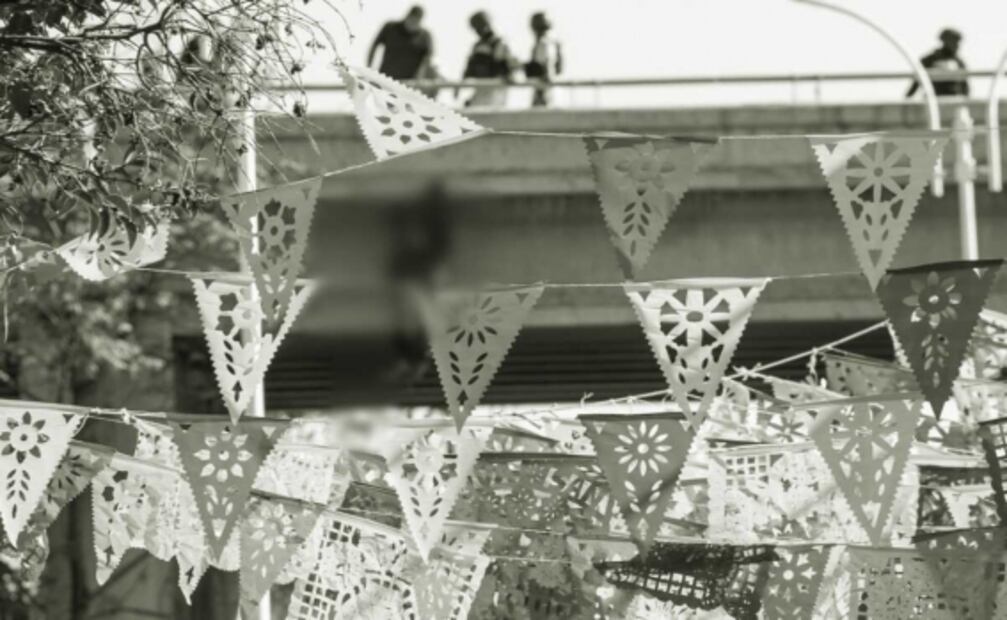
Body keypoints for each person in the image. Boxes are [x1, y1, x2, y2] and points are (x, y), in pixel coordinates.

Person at [462, 11, 516, 107]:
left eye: (480, 25)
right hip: (481, 89)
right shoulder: (477, 46)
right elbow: (469, 70)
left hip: (495, 91)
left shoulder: (500, 43)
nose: (478, 30)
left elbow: (511, 68)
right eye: (476, 27)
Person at [367, 6, 433, 81]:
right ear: (407, 16)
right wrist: (369, 68)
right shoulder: (390, 28)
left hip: (406, 84)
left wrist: (418, 80)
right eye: (411, 20)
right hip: (384, 78)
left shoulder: (425, 37)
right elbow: (374, 46)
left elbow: (427, 61)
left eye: (416, 22)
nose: (412, 24)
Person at [907, 28, 969, 98]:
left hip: (954, 100)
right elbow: (916, 83)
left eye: (958, 42)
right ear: (946, 41)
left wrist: (967, 101)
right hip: (935, 100)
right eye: (954, 41)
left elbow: (965, 86)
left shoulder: (959, 62)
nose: (957, 45)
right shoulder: (929, 60)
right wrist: (906, 101)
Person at [525, 12, 563, 107]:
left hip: (544, 96)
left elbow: (545, 72)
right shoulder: (554, 44)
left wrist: (540, 95)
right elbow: (559, 70)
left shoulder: (543, 44)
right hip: (554, 93)